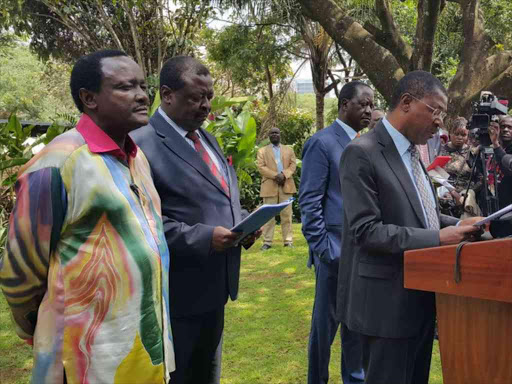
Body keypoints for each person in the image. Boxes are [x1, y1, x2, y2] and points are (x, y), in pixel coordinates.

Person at [0, 50, 175, 383]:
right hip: (85, 361)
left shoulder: (136, 159)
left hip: (143, 352)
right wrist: (46, 328)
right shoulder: (58, 164)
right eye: (125, 87)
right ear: (89, 98)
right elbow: (19, 273)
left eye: (142, 85)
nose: (141, 95)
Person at [337, 71, 483, 384]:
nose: (439, 123)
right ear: (406, 102)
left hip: (421, 303)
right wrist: (439, 237)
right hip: (385, 308)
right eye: (436, 111)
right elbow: (366, 231)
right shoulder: (361, 153)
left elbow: (421, 215)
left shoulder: (414, 154)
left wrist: (459, 223)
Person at [131, 56, 259, 384]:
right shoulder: (140, 144)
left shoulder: (207, 138)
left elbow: (219, 194)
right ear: (167, 94)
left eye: (209, 97)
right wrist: (204, 238)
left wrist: (244, 221)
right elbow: (141, 222)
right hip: (176, 295)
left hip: (214, 287)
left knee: (207, 375)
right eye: (195, 97)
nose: (205, 106)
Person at [300, 81, 373, 384]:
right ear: (344, 105)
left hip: (362, 252)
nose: (369, 110)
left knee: (356, 325)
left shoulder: (365, 144)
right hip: (333, 252)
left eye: (372, 105)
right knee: (324, 328)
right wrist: (324, 249)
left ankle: (354, 378)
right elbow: (309, 200)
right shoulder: (323, 143)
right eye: (363, 104)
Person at [257, 127, 297, 250]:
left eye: (276, 133)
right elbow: (261, 167)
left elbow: (293, 164)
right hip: (269, 185)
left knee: (287, 215)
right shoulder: (262, 151)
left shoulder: (289, 150)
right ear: (269, 136)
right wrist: (276, 176)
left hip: (286, 185)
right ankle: (267, 242)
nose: (274, 135)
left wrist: (284, 175)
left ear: (280, 135)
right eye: (272, 133)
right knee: (268, 216)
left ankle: (288, 241)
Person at [439, 117, 482, 217]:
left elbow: (481, 178)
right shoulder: (440, 151)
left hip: (467, 202)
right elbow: (434, 174)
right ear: (450, 133)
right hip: (445, 199)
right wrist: (450, 193)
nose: (459, 137)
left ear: (468, 135)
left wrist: (466, 195)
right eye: (456, 133)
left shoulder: (473, 153)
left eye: (463, 135)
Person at [489, 116, 512, 209]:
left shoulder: (496, 146)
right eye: (502, 127)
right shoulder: (492, 147)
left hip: (507, 206)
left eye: (510, 127)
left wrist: (496, 144)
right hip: (491, 202)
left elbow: (508, 167)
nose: (506, 130)